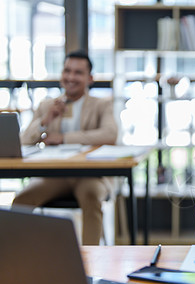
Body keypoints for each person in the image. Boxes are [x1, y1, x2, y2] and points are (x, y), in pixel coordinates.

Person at [12, 50, 118, 245]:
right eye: (67, 71)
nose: (71, 77)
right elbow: (23, 141)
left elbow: (110, 134)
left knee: (91, 197)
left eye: (78, 72)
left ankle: (89, 264)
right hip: (55, 176)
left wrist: (64, 138)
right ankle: (19, 259)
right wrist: (45, 121)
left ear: (90, 78)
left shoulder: (101, 105)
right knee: (21, 200)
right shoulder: (48, 105)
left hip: (90, 176)